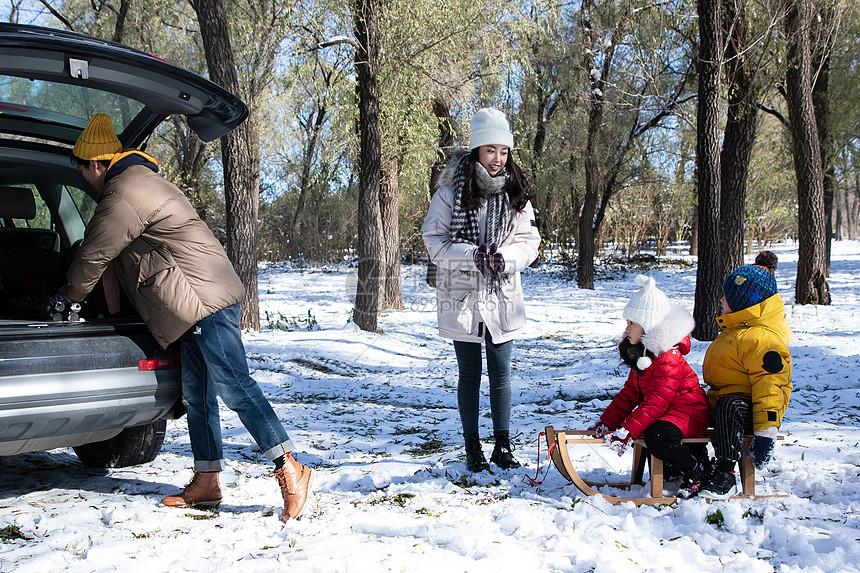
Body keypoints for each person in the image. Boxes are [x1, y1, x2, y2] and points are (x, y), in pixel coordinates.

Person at [62, 114, 313, 521]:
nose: (86, 182)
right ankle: (208, 480)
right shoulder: (141, 181)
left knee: (235, 386)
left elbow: (95, 252)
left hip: (204, 302)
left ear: (93, 164)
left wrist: (66, 298)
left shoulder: (123, 191)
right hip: (192, 304)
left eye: (83, 173)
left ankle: (290, 467)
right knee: (197, 396)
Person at [421, 107, 540, 472]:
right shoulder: (449, 192)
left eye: (503, 152)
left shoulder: (516, 192)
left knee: (501, 373)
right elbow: (434, 240)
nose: (497, 159)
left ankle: (502, 445)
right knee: (469, 373)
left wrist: (505, 258)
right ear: (476, 151)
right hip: (462, 295)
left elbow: (529, 240)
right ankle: (472, 446)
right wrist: (472, 254)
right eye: (490, 151)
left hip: (502, 294)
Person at [588, 275, 711, 497]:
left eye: (632, 323)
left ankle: (695, 467)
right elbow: (629, 394)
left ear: (648, 325)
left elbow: (656, 401)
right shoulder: (644, 355)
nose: (627, 328)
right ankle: (673, 468)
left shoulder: (668, 358)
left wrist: (627, 431)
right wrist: (607, 422)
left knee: (657, 436)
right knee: (649, 428)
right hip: (670, 412)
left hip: (690, 411)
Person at [699, 251, 792, 499]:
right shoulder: (737, 330)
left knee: (729, 406)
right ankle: (691, 465)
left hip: (751, 412)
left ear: (743, 302)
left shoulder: (761, 339)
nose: (720, 300)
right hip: (729, 404)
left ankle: (726, 473)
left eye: (726, 296)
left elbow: (771, 385)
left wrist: (765, 431)